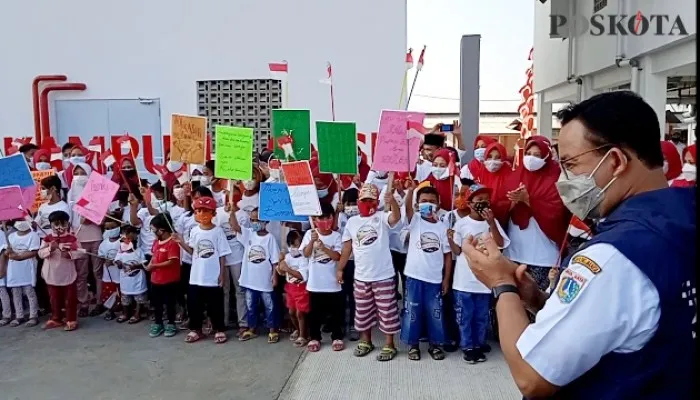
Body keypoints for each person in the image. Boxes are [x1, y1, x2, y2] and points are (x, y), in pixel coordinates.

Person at [462, 91, 696, 399]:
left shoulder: (615, 257)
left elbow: (532, 376)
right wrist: (542, 302)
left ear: (615, 161)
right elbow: (623, 320)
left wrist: (501, 284)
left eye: (572, 164)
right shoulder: (684, 217)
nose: (565, 179)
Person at [337, 182, 402, 362]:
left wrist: (393, 202)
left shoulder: (382, 217)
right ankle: (367, 340)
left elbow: (395, 218)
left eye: (371, 200)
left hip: (384, 276)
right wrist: (340, 269)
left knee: (387, 311)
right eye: (364, 199)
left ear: (377, 201)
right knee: (363, 311)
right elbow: (347, 248)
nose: (368, 203)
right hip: (361, 277)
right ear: (359, 201)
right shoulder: (352, 222)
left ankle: (389, 344)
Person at [448, 183, 510, 364]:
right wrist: (450, 239)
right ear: (469, 203)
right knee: (465, 316)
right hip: (464, 280)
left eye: (486, 200)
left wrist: (491, 223)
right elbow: (458, 251)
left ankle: (479, 342)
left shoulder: (493, 222)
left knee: (481, 316)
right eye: (478, 200)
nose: (483, 203)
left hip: (485, 280)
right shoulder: (461, 224)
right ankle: (468, 346)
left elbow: (501, 244)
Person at [503, 136, 571, 291]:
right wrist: (513, 201)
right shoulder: (516, 175)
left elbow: (557, 213)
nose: (531, 158)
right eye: (528, 153)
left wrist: (529, 200)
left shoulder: (556, 179)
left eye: (537, 155)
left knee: (537, 303)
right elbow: (501, 207)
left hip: (543, 257)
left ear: (547, 156)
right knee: (514, 302)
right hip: (513, 253)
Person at [400, 184, 452, 361]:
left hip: (435, 279)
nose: (427, 204)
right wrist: (410, 191)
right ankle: (413, 345)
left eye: (431, 201)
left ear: (438, 204)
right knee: (412, 313)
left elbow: (447, 256)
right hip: (414, 277)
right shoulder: (414, 220)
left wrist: (446, 279)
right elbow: (407, 209)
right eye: (423, 201)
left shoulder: (443, 227)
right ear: (417, 204)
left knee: (434, 313)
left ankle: (435, 345)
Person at [174, 196, 230, 344]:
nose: (202, 214)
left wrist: (222, 274)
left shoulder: (218, 232)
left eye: (206, 211)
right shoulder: (194, 231)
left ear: (213, 214)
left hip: (213, 275)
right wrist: (181, 242)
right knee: (194, 304)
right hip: (196, 276)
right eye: (198, 211)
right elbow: (193, 251)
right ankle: (196, 329)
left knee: (215, 305)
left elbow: (222, 254)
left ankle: (219, 329)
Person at [229, 206, 281, 343]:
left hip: (265, 280)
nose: (254, 223)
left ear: (265, 221)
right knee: (250, 305)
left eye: (257, 220)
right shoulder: (249, 234)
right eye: (252, 220)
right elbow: (235, 226)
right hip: (250, 279)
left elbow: (275, 261)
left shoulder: (270, 239)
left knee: (269, 306)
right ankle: (252, 329)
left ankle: (272, 330)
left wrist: (274, 276)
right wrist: (232, 212)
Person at [302, 202, 345, 352]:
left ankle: (337, 336)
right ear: (314, 220)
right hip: (315, 283)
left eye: (327, 217)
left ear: (333, 218)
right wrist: (313, 241)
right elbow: (306, 254)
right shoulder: (309, 234)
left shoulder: (336, 236)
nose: (324, 220)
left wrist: (324, 248)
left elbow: (337, 256)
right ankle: (314, 337)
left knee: (335, 312)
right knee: (314, 314)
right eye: (320, 218)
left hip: (332, 283)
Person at [67, 162, 105, 317]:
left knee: (98, 272)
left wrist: (91, 218)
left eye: (82, 172)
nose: (79, 176)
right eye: (76, 173)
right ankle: (83, 302)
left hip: (95, 235)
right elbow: (68, 217)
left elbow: (102, 219)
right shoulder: (70, 193)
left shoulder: (96, 192)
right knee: (81, 273)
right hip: (78, 236)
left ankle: (99, 301)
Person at [38, 210, 85, 331]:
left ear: (67, 224)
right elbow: (40, 253)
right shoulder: (47, 238)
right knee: (54, 298)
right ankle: (56, 318)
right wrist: (50, 249)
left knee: (70, 298)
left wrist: (70, 254)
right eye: (56, 224)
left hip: (67, 273)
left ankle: (71, 319)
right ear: (51, 224)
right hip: (51, 273)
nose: (59, 227)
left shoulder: (72, 238)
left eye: (62, 223)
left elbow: (81, 252)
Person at [146, 213, 181, 338]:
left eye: (154, 229)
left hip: (170, 279)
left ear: (162, 230)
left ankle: (171, 323)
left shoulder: (172, 242)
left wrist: (155, 266)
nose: (153, 232)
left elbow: (172, 261)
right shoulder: (156, 242)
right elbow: (153, 256)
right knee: (157, 303)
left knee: (170, 303)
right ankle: (158, 322)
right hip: (155, 279)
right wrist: (149, 265)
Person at [3, 219, 41, 327]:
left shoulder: (33, 235)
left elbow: (33, 252)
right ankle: (19, 315)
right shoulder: (10, 236)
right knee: (16, 291)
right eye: (19, 220)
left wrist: (19, 256)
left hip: (27, 266)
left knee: (29, 291)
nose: (21, 222)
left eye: (23, 219)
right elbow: (7, 252)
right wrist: (8, 252)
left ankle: (33, 315)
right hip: (14, 267)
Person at [277, 230, 309, 347]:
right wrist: (280, 262)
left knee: (300, 313)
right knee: (291, 312)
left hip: (302, 288)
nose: (293, 248)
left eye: (295, 244)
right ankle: (299, 330)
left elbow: (302, 276)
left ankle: (303, 335)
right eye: (290, 244)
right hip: (290, 288)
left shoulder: (305, 258)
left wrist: (288, 269)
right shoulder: (287, 256)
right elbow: (280, 271)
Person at [336, 188, 360, 341]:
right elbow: (332, 230)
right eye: (348, 203)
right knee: (340, 294)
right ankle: (340, 324)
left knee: (354, 295)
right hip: (341, 260)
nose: (351, 206)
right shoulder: (340, 217)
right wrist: (337, 212)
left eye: (354, 203)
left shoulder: (361, 218)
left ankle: (353, 324)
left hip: (357, 262)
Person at [114, 226, 147, 324]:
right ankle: (125, 313)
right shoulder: (120, 252)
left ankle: (137, 314)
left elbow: (144, 263)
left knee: (139, 298)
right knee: (125, 298)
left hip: (138, 280)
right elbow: (117, 262)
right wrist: (119, 263)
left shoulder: (139, 251)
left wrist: (136, 266)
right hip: (126, 281)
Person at [478, 142, 513, 226]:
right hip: (481, 220)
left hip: (503, 221)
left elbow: (513, 201)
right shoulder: (481, 172)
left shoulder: (510, 175)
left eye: (498, 157)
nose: (493, 161)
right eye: (489, 157)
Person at [98, 217, 122, 321]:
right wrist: (105, 260)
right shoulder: (104, 243)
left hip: (120, 273)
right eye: (107, 228)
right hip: (108, 274)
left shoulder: (122, 241)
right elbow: (101, 256)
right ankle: (110, 310)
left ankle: (124, 309)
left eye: (113, 227)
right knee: (109, 292)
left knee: (122, 291)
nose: (110, 230)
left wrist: (114, 261)